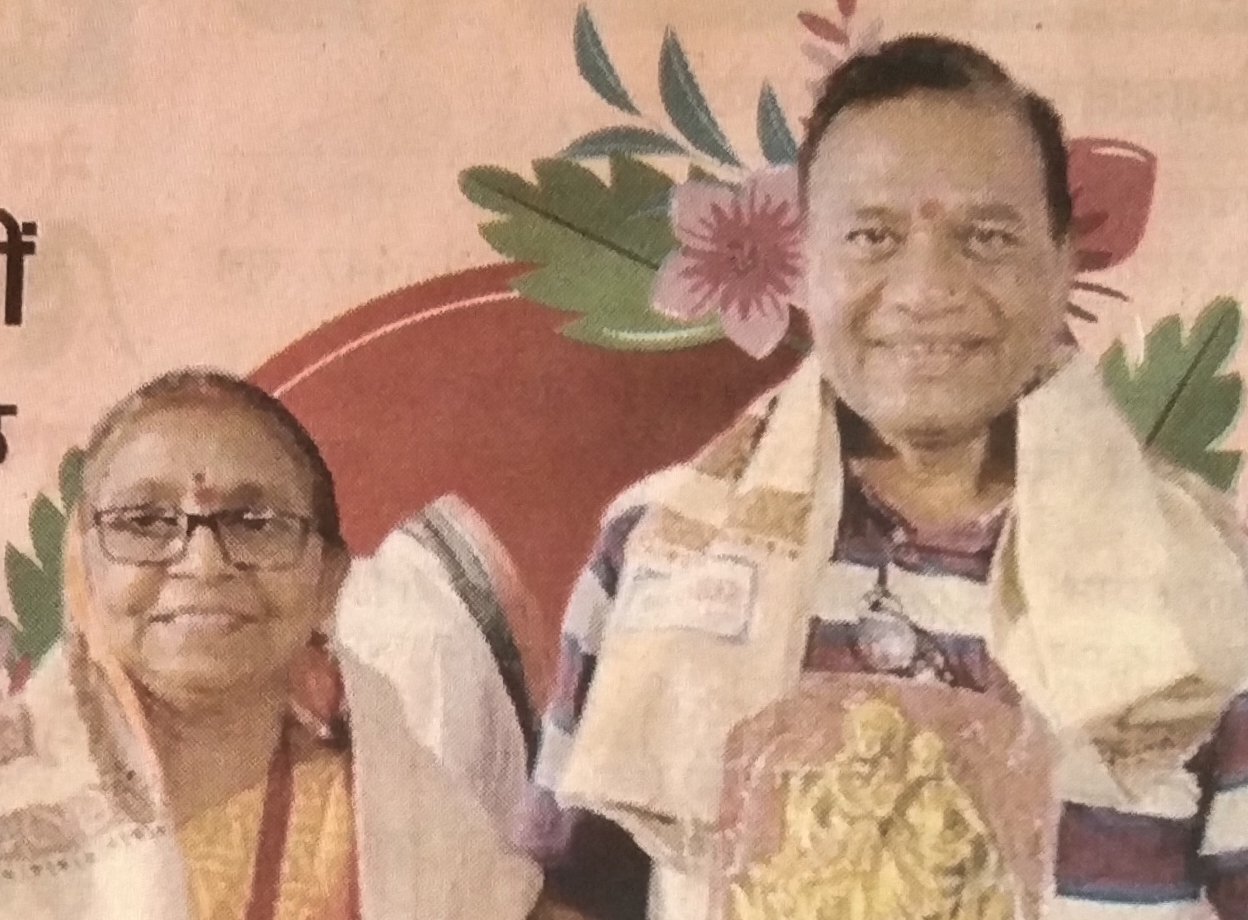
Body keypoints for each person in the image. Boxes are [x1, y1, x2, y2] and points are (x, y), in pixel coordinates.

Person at [521, 36, 1248, 920]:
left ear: (1063, 266)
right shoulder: (659, 549)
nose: (927, 288)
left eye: (988, 238)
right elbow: (574, 898)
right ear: (805, 264)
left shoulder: (1209, 578)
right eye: (873, 237)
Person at [0, 370, 541, 919]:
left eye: (255, 522)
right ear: (83, 563)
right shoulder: (13, 806)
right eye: (143, 520)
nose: (204, 563)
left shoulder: (404, 820)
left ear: (328, 579)